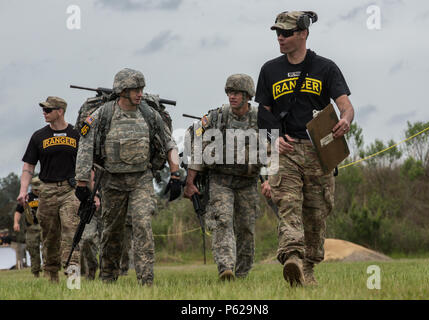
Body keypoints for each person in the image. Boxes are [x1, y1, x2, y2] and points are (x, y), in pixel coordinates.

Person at [256, 11, 355, 286]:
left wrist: (345, 120)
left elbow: (345, 106)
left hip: (319, 151)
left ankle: (307, 269)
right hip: (284, 150)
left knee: (316, 211)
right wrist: (274, 137)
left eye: (286, 33)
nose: (280, 38)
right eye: (277, 33)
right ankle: (292, 257)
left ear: (303, 34)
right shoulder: (269, 70)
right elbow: (262, 113)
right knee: (288, 203)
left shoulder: (326, 67)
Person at [75, 68, 181, 286]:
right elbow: (84, 147)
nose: (140, 93)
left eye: (141, 89)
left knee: (143, 225)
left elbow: (169, 142)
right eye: (135, 89)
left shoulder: (150, 114)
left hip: (141, 178)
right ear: (122, 91)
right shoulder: (102, 114)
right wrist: (82, 183)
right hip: (112, 181)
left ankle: (146, 280)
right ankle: (108, 278)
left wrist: (175, 173)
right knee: (112, 232)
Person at [184, 74, 263, 281]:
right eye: (229, 92)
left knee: (246, 228)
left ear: (247, 96)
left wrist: (271, 181)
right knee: (222, 221)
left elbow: (272, 151)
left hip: (247, 183)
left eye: (236, 93)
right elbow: (198, 145)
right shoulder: (216, 117)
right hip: (221, 181)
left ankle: (243, 273)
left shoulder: (260, 118)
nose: (232, 97)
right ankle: (225, 268)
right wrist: (190, 181)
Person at [17, 96, 81, 283]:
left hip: (71, 190)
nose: (44, 113)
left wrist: (94, 193)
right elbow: (28, 166)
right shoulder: (39, 136)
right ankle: (52, 277)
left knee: (71, 233)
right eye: (43, 110)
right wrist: (23, 191)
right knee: (50, 236)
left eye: (48, 110)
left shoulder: (76, 134)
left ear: (60, 111)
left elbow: (88, 166)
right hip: (47, 190)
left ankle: (73, 280)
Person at [13, 177, 43, 277]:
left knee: (48, 249)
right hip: (31, 228)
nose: (37, 191)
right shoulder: (27, 198)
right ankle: (36, 272)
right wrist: (16, 223)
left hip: (45, 226)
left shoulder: (46, 196)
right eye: (35, 189)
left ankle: (49, 271)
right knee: (33, 250)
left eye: (38, 189)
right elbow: (18, 211)